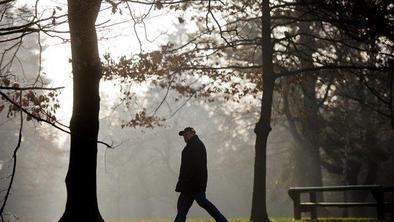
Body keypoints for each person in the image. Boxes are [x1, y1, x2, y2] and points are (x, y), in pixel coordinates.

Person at [174, 127, 228, 222]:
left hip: (193, 184)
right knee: (182, 208)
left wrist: (185, 182)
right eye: (183, 135)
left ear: (192, 133)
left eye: (186, 135)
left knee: (201, 203)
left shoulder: (196, 145)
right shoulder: (193, 145)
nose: (184, 137)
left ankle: (222, 220)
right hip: (189, 185)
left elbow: (194, 166)